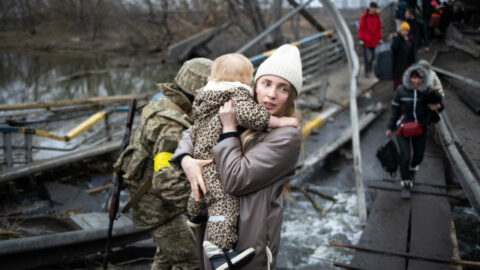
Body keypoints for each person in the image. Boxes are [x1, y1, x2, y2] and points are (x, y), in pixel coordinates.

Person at [170, 44, 303, 270]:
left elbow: (236, 179)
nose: (271, 94)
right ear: (254, 86)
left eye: (283, 89)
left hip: (249, 242)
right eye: (266, 83)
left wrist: (229, 130)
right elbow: (193, 131)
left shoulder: (287, 136)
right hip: (215, 229)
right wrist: (186, 160)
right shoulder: (242, 109)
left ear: (291, 97)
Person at [113, 58, 213, 270]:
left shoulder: (161, 102)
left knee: (167, 259)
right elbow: (166, 180)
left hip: (155, 199)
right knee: (192, 262)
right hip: (159, 208)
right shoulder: (173, 125)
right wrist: (199, 210)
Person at [385, 64, 443, 199]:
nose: (416, 81)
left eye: (419, 78)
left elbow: (439, 107)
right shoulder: (401, 91)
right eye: (414, 77)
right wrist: (390, 128)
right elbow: (394, 111)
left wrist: (438, 106)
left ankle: (412, 168)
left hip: (420, 128)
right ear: (409, 78)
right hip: (403, 128)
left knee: (418, 157)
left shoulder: (427, 92)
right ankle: (405, 183)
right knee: (404, 156)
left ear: (423, 79)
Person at [358, 1, 382, 78]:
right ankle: (366, 71)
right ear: (370, 8)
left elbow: (379, 27)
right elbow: (361, 28)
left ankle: (371, 67)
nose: (374, 10)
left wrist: (379, 37)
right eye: (373, 8)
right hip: (366, 40)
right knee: (366, 57)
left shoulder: (377, 16)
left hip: (374, 40)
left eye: (375, 9)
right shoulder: (364, 16)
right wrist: (361, 38)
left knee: (374, 56)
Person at [391, 22, 415, 91]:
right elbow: (393, 48)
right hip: (398, 63)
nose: (405, 32)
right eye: (403, 30)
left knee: (406, 78)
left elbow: (411, 51)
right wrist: (395, 38)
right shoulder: (397, 39)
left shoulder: (409, 39)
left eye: (406, 30)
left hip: (406, 63)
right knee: (398, 81)